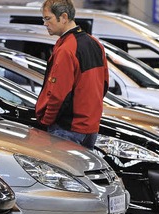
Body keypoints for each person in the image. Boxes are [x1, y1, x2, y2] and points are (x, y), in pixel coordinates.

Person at [35, 0, 109, 150]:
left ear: (63, 17)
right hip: (90, 128)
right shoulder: (94, 43)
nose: (45, 23)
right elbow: (104, 84)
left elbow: (58, 95)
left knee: (62, 173)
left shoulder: (66, 49)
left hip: (67, 129)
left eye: (47, 18)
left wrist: (46, 121)